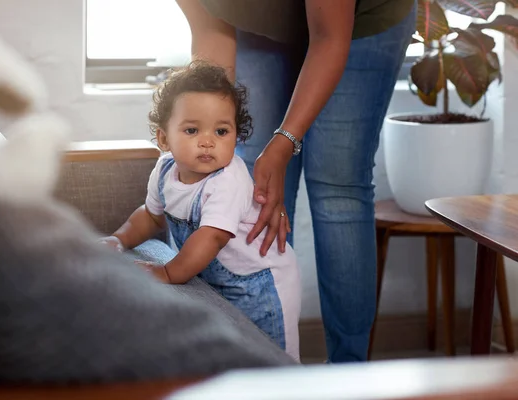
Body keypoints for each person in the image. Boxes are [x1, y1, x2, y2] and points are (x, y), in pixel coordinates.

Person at [175, 0, 416, 363]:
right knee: (251, 180)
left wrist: (285, 141)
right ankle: (262, 366)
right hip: (262, 19)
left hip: (359, 22)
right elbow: (212, 30)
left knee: (339, 188)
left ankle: (349, 376)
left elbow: (330, 38)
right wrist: (208, 127)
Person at [99, 61, 302, 361]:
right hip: (216, 277)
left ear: (237, 136)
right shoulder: (166, 169)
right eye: (192, 130)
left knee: (273, 360)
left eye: (221, 131)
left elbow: (211, 238)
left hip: (261, 283)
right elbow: (151, 216)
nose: (207, 141)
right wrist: (119, 240)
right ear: (164, 139)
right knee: (229, 358)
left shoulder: (228, 180)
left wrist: (168, 272)